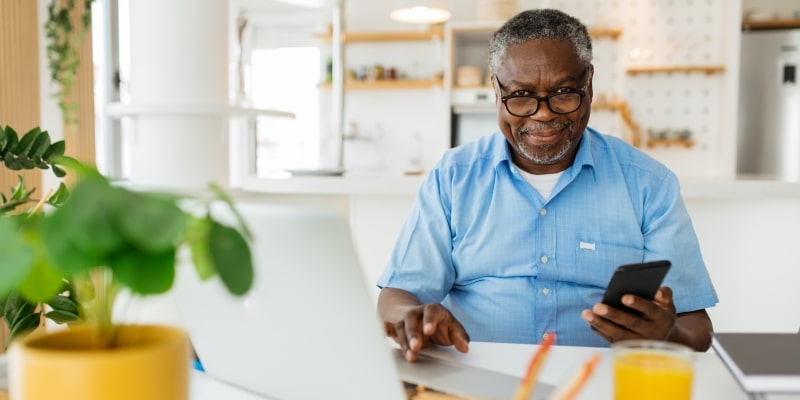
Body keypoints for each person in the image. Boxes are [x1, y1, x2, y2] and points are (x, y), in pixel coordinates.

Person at [376, 9, 718, 362]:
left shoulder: (649, 184)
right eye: (521, 95)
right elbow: (397, 296)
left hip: (599, 381)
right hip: (476, 377)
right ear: (495, 89)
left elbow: (697, 329)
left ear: (589, 84)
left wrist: (666, 335)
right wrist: (409, 318)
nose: (543, 114)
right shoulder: (453, 176)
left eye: (565, 92)